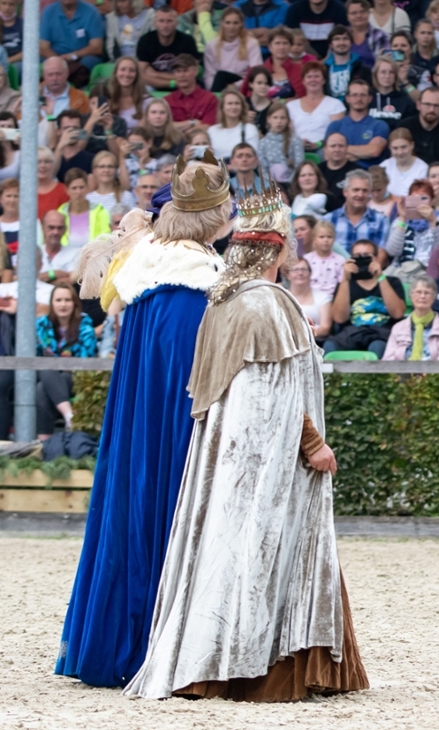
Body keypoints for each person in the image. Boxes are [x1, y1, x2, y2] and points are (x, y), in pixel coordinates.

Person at [123, 180, 367, 702]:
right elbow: (273, 395)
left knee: (229, 551)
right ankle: (255, 670)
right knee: (263, 554)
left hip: (227, 466)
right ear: (276, 249)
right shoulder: (267, 303)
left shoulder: (222, 299)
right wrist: (313, 444)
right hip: (268, 464)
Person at [56, 152, 233, 689]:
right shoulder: (192, 284)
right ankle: (153, 645)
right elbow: (190, 384)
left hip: (141, 426)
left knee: (131, 503)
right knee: (164, 506)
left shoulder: (149, 271)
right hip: (173, 430)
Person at [34, 282, 96, 440]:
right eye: (58, 300)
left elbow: (86, 357)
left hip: (76, 376)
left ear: (74, 303)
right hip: (47, 376)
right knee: (44, 377)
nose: (63, 304)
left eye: (67, 300)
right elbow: (35, 354)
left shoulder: (85, 324)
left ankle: (44, 441)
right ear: (52, 303)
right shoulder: (41, 325)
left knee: (44, 383)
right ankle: (69, 416)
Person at [327, 238, 406, 355]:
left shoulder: (392, 282)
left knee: (378, 347)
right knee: (329, 345)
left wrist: (380, 277)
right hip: (352, 332)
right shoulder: (344, 284)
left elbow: (398, 313)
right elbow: (339, 318)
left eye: (366, 256)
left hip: (381, 333)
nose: (361, 260)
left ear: (376, 258)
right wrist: (345, 279)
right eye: (357, 256)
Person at [385, 178, 439, 270]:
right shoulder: (400, 221)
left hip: (429, 271)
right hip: (402, 270)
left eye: (423, 198)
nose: (418, 202)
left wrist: (433, 221)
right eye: (414, 198)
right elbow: (392, 251)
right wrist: (403, 219)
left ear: (432, 201)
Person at [324, 78, 390, 170]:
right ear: (347, 98)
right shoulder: (335, 126)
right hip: (341, 173)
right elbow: (328, 155)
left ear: (370, 98)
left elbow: (374, 151)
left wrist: (341, 150)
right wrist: (363, 152)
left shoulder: (379, 125)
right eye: (354, 95)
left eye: (363, 95)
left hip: (370, 174)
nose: (359, 99)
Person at [382, 275, 439, 360]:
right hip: (401, 372)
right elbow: (388, 359)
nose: (422, 296)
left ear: (434, 298)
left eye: (427, 293)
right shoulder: (398, 328)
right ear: (411, 296)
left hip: (433, 372)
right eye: (419, 292)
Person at [287, 63, 347, 152]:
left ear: (324, 80)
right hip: (296, 148)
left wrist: (318, 144)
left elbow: (336, 133)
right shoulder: (291, 106)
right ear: (303, 81)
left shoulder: (336, 104)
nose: (313, 80)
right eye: (309, 77)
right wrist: (298, 143)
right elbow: (287, 133)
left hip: (325, 148)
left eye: (317, 76)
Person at [41, 0, 105, 84]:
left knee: (88, 62)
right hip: (55, 55)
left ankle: (76, 90)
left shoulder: (91, 12)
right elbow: (42, 47)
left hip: (82, 57)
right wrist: (59, 61)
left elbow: (97, 47)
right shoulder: (48, 12)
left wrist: (72, 56)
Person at [325, 169, 391, 250]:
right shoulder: (328, 220)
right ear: (345, 192)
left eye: (365, 191)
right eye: (356, 190)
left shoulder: (381, 220)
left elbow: (381, 254)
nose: (360, 195)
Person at [137, 7, 199, 91]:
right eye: (161, 21)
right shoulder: (145, 40)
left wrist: (155, 74)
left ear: (176, 23)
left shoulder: (187, 41)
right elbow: (143, 75)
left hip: (181, 85)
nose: (165, 25)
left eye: (169, 21)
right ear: (155, 23)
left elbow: (191, 73)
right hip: (155, 85)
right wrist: (173, 82)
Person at [397, 87, 439, 164]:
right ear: (418, 105)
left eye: (436, 105)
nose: (431, 109)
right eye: (427, 104)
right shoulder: (404, 127)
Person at [59, 169, 111, 250]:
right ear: (67, 190)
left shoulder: (100, 212)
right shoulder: (60, 213)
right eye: (74, 188)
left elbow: (106, 239)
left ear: (87, 187)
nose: (78, 192)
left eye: (81, 187)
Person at [165, 55, 218, 133]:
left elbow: (208, 127)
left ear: (195, 71)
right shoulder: (167, 100)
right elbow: (164, 127)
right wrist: (192, 122)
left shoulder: (210, 99)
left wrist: (179, 128)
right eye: (178, 71)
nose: (182, 75)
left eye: (185, 71)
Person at [258, 102, 305, 184]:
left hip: (291, 183)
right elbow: (262, 168)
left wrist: (288, 182)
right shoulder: (263, 143)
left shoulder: (294, 140)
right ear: (269, 119)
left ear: (288, 120)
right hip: (269, 185)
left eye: (283, 118)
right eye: (275, 117)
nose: (279, 121)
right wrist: (272, 182)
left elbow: (299, 165)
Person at [284, 0, 348, 59]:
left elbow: (342, 40)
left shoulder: (339, 9)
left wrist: (325, 61)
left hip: (333, 60)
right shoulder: (295, 9)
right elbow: (291, 40)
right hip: (302, 61)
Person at [288, 258, 332, 340]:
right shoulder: (280, 296)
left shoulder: (322, 297)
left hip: (316, 341)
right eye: (295, 270)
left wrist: (302, 337)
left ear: (310, 273)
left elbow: (325, 328)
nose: (300, 273)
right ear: (288, 275)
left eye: (304, 269)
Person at [378, 127, 429, 196]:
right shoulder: (384, 166)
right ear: (390, 148)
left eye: (404, 147)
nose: (400, 152)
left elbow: (423, 197)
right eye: (395, 148)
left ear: (412, 145)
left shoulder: (423, 169)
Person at [39, 210, 75, 283]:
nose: (56, 232)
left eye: (60, 228)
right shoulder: (33, 253)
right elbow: (23, 279)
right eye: (51, 227)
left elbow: (74, 279)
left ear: (65, 230)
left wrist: (41, 279)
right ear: (43, 228)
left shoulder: (75, 253)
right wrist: (53, 274)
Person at [38, 148, 70, 219]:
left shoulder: (63, 190)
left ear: (53, 165)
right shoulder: (23, 191)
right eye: (38, 162)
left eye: (47, 162)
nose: (43, 165)